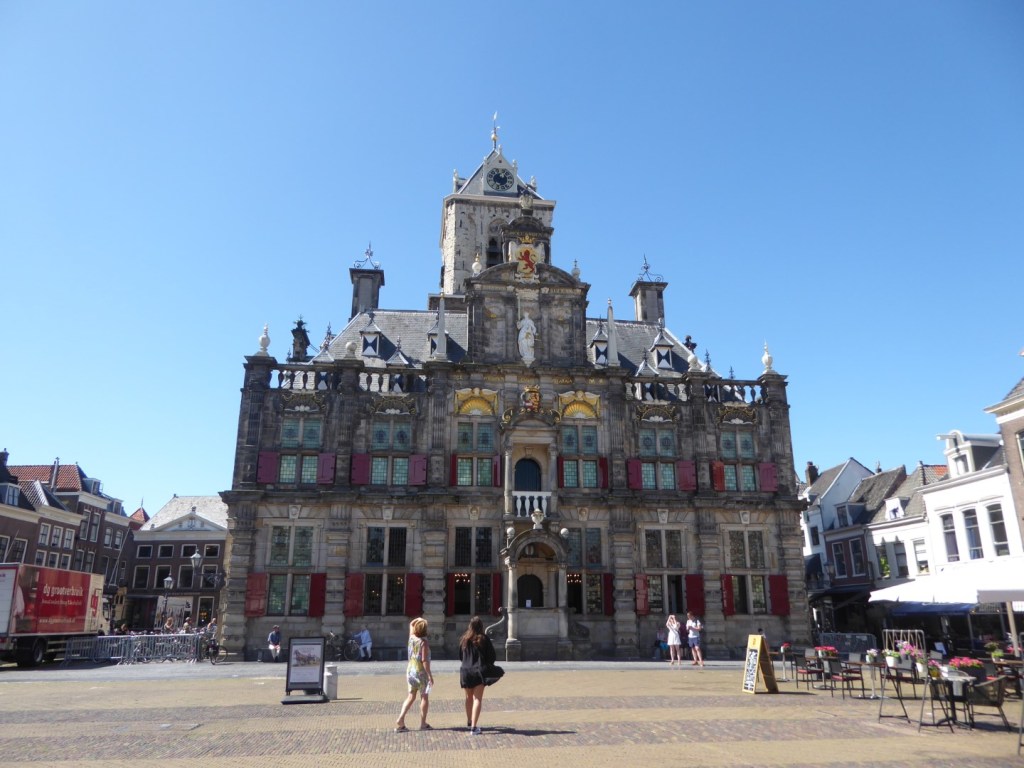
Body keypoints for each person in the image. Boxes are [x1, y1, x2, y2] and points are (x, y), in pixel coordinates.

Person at [459, 615, 496, 735]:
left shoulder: (464, 639)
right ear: (481, 626)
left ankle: (470, 721)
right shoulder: (484, 639)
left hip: (465, 671)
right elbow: (492, 657)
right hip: (478, 671)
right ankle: (474, 728)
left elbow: (460, 656)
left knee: (468, 697)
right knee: (477, 699)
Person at [395, 617, 433, 732]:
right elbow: (425, 661)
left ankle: (401, 719)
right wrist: (430, 675)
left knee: (411, 696)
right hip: (420, 671)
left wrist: (419, 618)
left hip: (410, 670)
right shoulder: (423, 642)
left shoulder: (411, 638)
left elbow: (411, 624)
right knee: (424, 697)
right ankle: (423, 723)